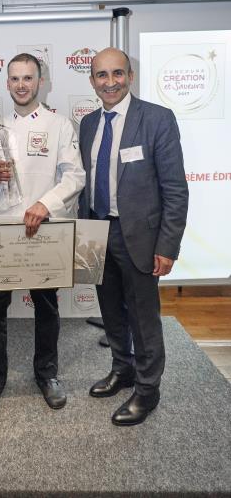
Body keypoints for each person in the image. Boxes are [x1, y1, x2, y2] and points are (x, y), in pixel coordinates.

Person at [79, 47, 188, 426]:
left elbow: (175, 188)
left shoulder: (157, 119)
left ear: (130, 76)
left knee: (144, 318)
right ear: (92, 80)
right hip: (95, 231)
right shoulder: (89, 123)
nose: (110, 82)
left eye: (117, 74)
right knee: (110, 310)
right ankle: (122, 370)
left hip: (138, 237)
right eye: (101, 75)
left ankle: (147, 389)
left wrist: (167, 245)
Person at [0, 52, 85, 415]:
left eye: (28, 78)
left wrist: (46, 204)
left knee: (47, 308)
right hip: (0, 232)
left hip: (43, 229)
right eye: (15, 79)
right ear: (7, 84)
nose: (22, 85)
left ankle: (47, 374)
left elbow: (74, 175)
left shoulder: (59, 125)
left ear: (41, 82)